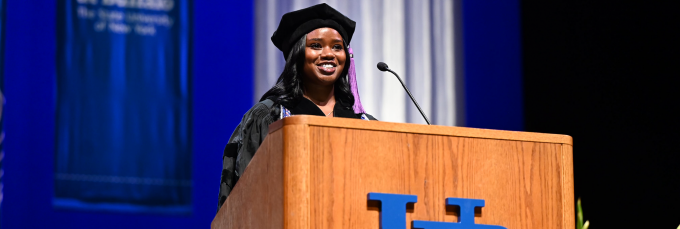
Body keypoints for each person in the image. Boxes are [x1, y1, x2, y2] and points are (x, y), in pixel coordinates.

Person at [217, 3, 376, 211]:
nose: (329, 54)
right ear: (298, 54)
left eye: (337, 47)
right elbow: (245, 195)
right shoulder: (270, 116)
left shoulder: (364, 123)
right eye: (316, 45)